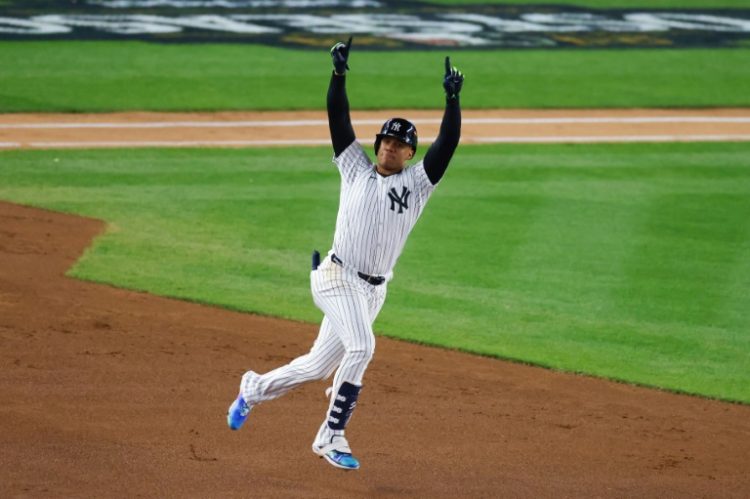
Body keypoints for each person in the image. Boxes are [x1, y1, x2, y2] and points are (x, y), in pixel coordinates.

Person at [227, 36, 464, 471]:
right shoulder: (353, 166)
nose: (390, 147)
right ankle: (329, 436)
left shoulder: (416, 185)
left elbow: (446, 146)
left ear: (411, 153)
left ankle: (253, 388)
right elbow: (338, 118)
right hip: (335, 276)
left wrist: (452, 102)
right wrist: (338, 74)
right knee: (363, 346)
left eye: (399, 144)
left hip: (373, 291)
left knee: (317, 365)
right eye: (385, 141)